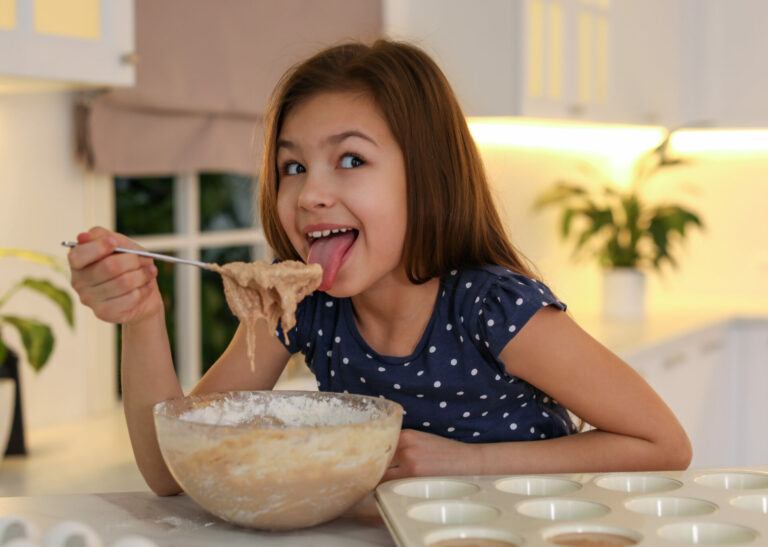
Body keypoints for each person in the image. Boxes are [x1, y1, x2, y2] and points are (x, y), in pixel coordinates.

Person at [67, 40, 691, 496]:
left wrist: (467, 463)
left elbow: (663, 444)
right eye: (292, 167)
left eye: (350, 160)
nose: (310, 194)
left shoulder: (493, 309)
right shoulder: (302, 308)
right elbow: (172, 469)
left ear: (426, 178)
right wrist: (142, 317)